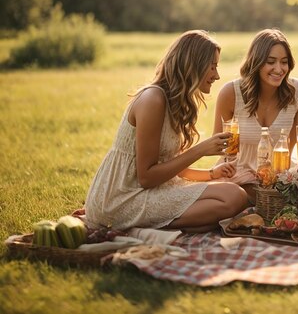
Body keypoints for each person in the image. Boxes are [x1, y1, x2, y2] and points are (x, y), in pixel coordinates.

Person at [84, 30, 249, 233]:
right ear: (193, 65)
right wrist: (200, 150)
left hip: (154, 190)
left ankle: (174, 224)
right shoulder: (153, 99)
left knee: (235, 195)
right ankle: (137, 226)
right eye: (212, 66)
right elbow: (146, 177)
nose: (217, 75)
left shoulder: (174, 102)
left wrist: (212, 173)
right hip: (122, 198)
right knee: (232, 197)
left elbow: (169, 167)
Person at [212, 28, 298, 201]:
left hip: (280, 174)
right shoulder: (231, 93)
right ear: (256, 62)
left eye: (284, 62)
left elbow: (294, 146)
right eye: (271, 62)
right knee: (242, 199)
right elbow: (218, 145)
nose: (279, 69)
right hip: (237, 174)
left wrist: (279, 178)